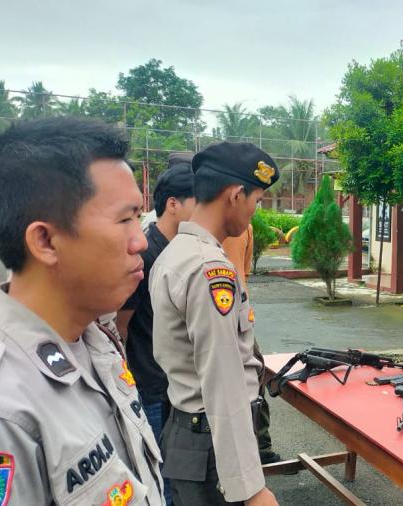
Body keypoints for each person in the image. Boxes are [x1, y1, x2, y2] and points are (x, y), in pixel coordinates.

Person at [0, 117, 164, 504]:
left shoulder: (95, 339)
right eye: (125, 219)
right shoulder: (0, 412)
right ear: (46, 240)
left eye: (139, 217)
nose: (140, 242)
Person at [150, 142, 280, 505]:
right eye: (256, 200)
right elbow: (223, 378)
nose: (255, 212)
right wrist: (251, 488)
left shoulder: (176, 252)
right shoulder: (210, 269)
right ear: (236, 195)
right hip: (212, 446)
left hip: (193, 435)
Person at [117, 153, 196, 504]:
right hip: (148, 384)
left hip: (174, 383)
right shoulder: (145, 254)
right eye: (199, 201)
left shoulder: (182, 250)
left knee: (176, 468)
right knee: (154, 467)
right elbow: (121, 326)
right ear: (173, 204)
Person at [222, 225, 282, 465]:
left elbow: (243, 273)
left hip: (241, 320)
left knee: (256, 379)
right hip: (227, 320)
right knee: (240, 384)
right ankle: (249, 449)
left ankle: (260, 447)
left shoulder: (245, 228)